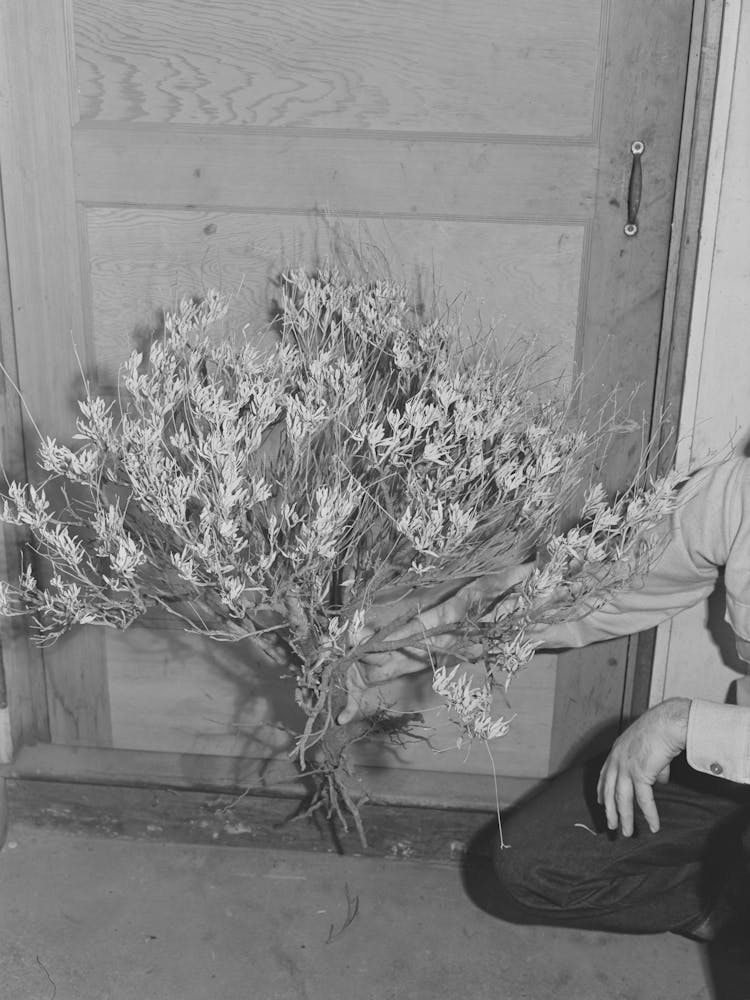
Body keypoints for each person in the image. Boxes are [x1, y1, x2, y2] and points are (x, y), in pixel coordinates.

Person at [341, 457, 750, 948]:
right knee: (536, 864)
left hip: (724, 737)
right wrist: (407, 647)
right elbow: (594, 585)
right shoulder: (739, 493)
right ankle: (730, 907)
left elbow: (695, 729)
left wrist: (688, 725)